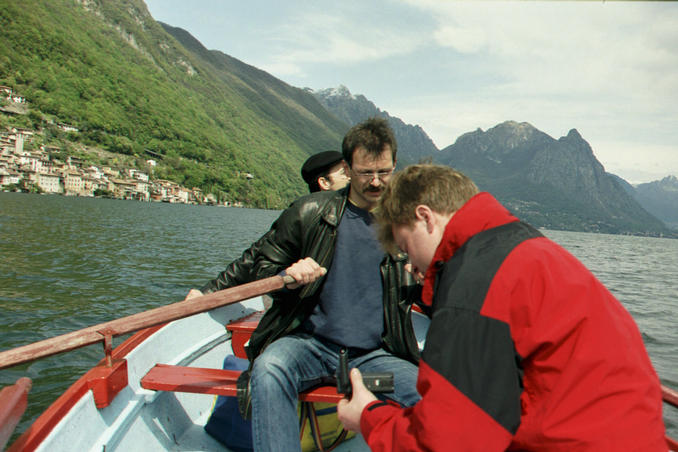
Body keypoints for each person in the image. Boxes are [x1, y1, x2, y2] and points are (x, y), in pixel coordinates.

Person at [337, 164, 667, 451]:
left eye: (407, 247)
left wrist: (369, 416)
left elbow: (447, 443)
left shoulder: (474, 283)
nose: (410, 266)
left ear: (425, 218)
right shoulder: (528, 248)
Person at [222, 117, 420, 452]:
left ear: (394, 166)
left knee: (429, 392)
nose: (375, 181)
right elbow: (262, 268)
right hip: (308, 346)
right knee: (269, 368)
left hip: (373, 356)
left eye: (383, 172)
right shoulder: (310, 211)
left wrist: (426, 279)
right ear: (347, 167)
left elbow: (430, 298)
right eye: (364, 172)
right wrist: (289, 274)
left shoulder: (407, 224)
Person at [189, 151, 349, 296]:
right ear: (324, 183)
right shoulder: (303, 215)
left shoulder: (355, 214)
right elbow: (253, 257)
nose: (351, 177)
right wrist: (208, 293)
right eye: (344, 173)